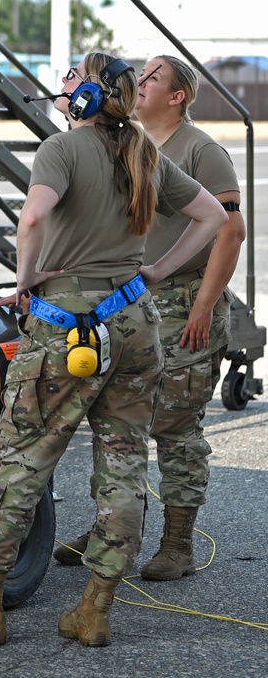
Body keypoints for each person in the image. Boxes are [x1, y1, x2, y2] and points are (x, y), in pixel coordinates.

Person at [0, 52, 227, 649]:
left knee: (19, 461)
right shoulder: (142, 152)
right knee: (124, 464)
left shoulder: (62, 149)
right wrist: (154, 272)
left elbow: (32, 218)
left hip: (67, 328)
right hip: (135, 325)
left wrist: (25, 282)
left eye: (72, 76)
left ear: (88, 96)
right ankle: (95, 609)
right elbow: (213, 215)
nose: (63, 84)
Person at [53, 54, 245, 581]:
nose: (140, 83)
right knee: (116, 422)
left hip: (186, 304)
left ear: (177, 95)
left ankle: (178, 543)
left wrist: (204, 305)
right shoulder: (130, 140)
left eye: (153, 78)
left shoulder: (199, 150)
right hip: (133, 304)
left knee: (176, 427)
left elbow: (230, 231)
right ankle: (107, 529)